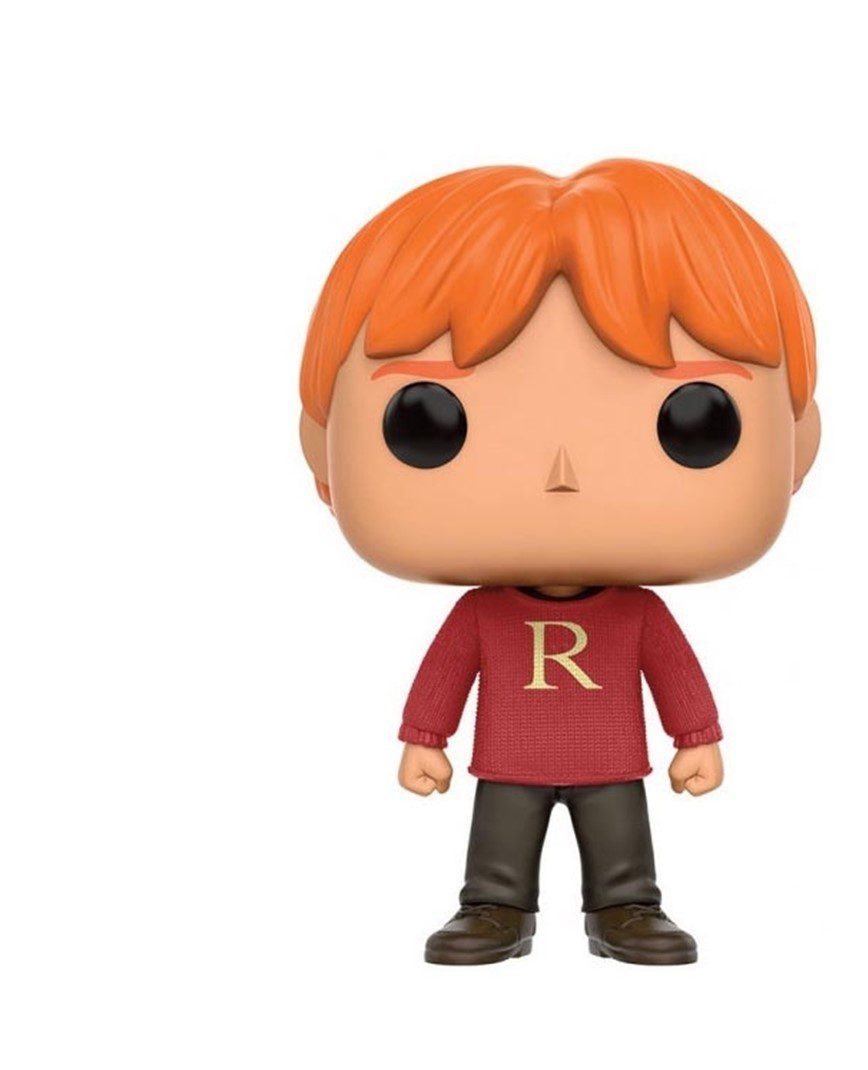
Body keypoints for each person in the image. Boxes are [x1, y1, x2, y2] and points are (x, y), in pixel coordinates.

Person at [298, 160, 820, 964]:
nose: (561, 474)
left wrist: (697, 736)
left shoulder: (637, 614)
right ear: (321, 447)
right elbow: (445, 675)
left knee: (621, 843)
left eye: (695, 418)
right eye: (427, 421)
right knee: (499, 844)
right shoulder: (482, 614)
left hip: (612, 761)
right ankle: (494, 907)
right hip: (509, 761)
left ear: (799, 446)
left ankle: (626, 908)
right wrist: (424, 737)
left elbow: (675, 674)